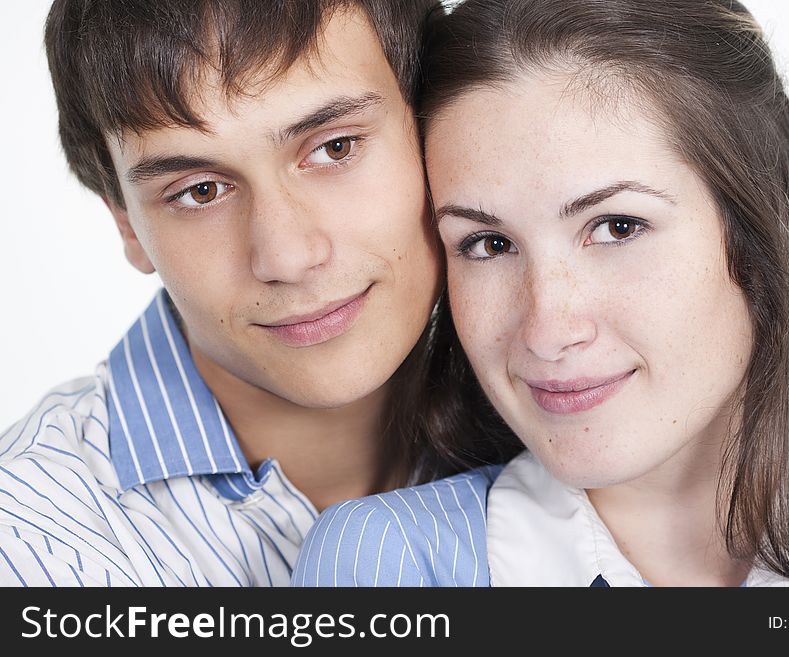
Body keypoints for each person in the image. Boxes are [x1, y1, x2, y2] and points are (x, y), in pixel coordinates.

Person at [293, 0, 789, 587]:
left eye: (617, 227)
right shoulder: (386, 565)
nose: (547, 331)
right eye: (489, 245)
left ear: (779, 214)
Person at [0, 0, 518, 587]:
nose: (288, 258)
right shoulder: (32, 546)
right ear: (126, 223)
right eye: (200, 191)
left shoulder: (574, 416)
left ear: (431, 133)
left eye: (334, 148)